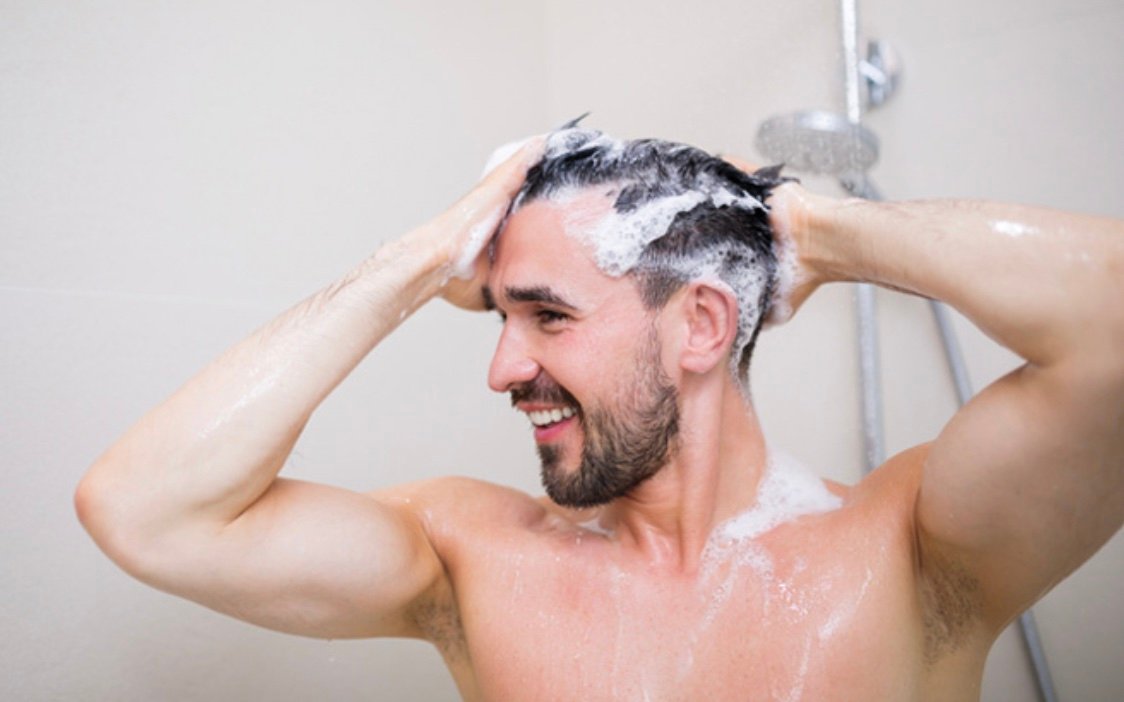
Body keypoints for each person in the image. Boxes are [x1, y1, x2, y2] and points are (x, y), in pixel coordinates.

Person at [76, 127, 1124, 701]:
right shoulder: (467, 560)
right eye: (496, 315)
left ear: (702, 326)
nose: (500, 368)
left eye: (547, 316)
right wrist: (417, 262)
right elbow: (143, 511)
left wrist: (814, 227)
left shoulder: (910, 553)